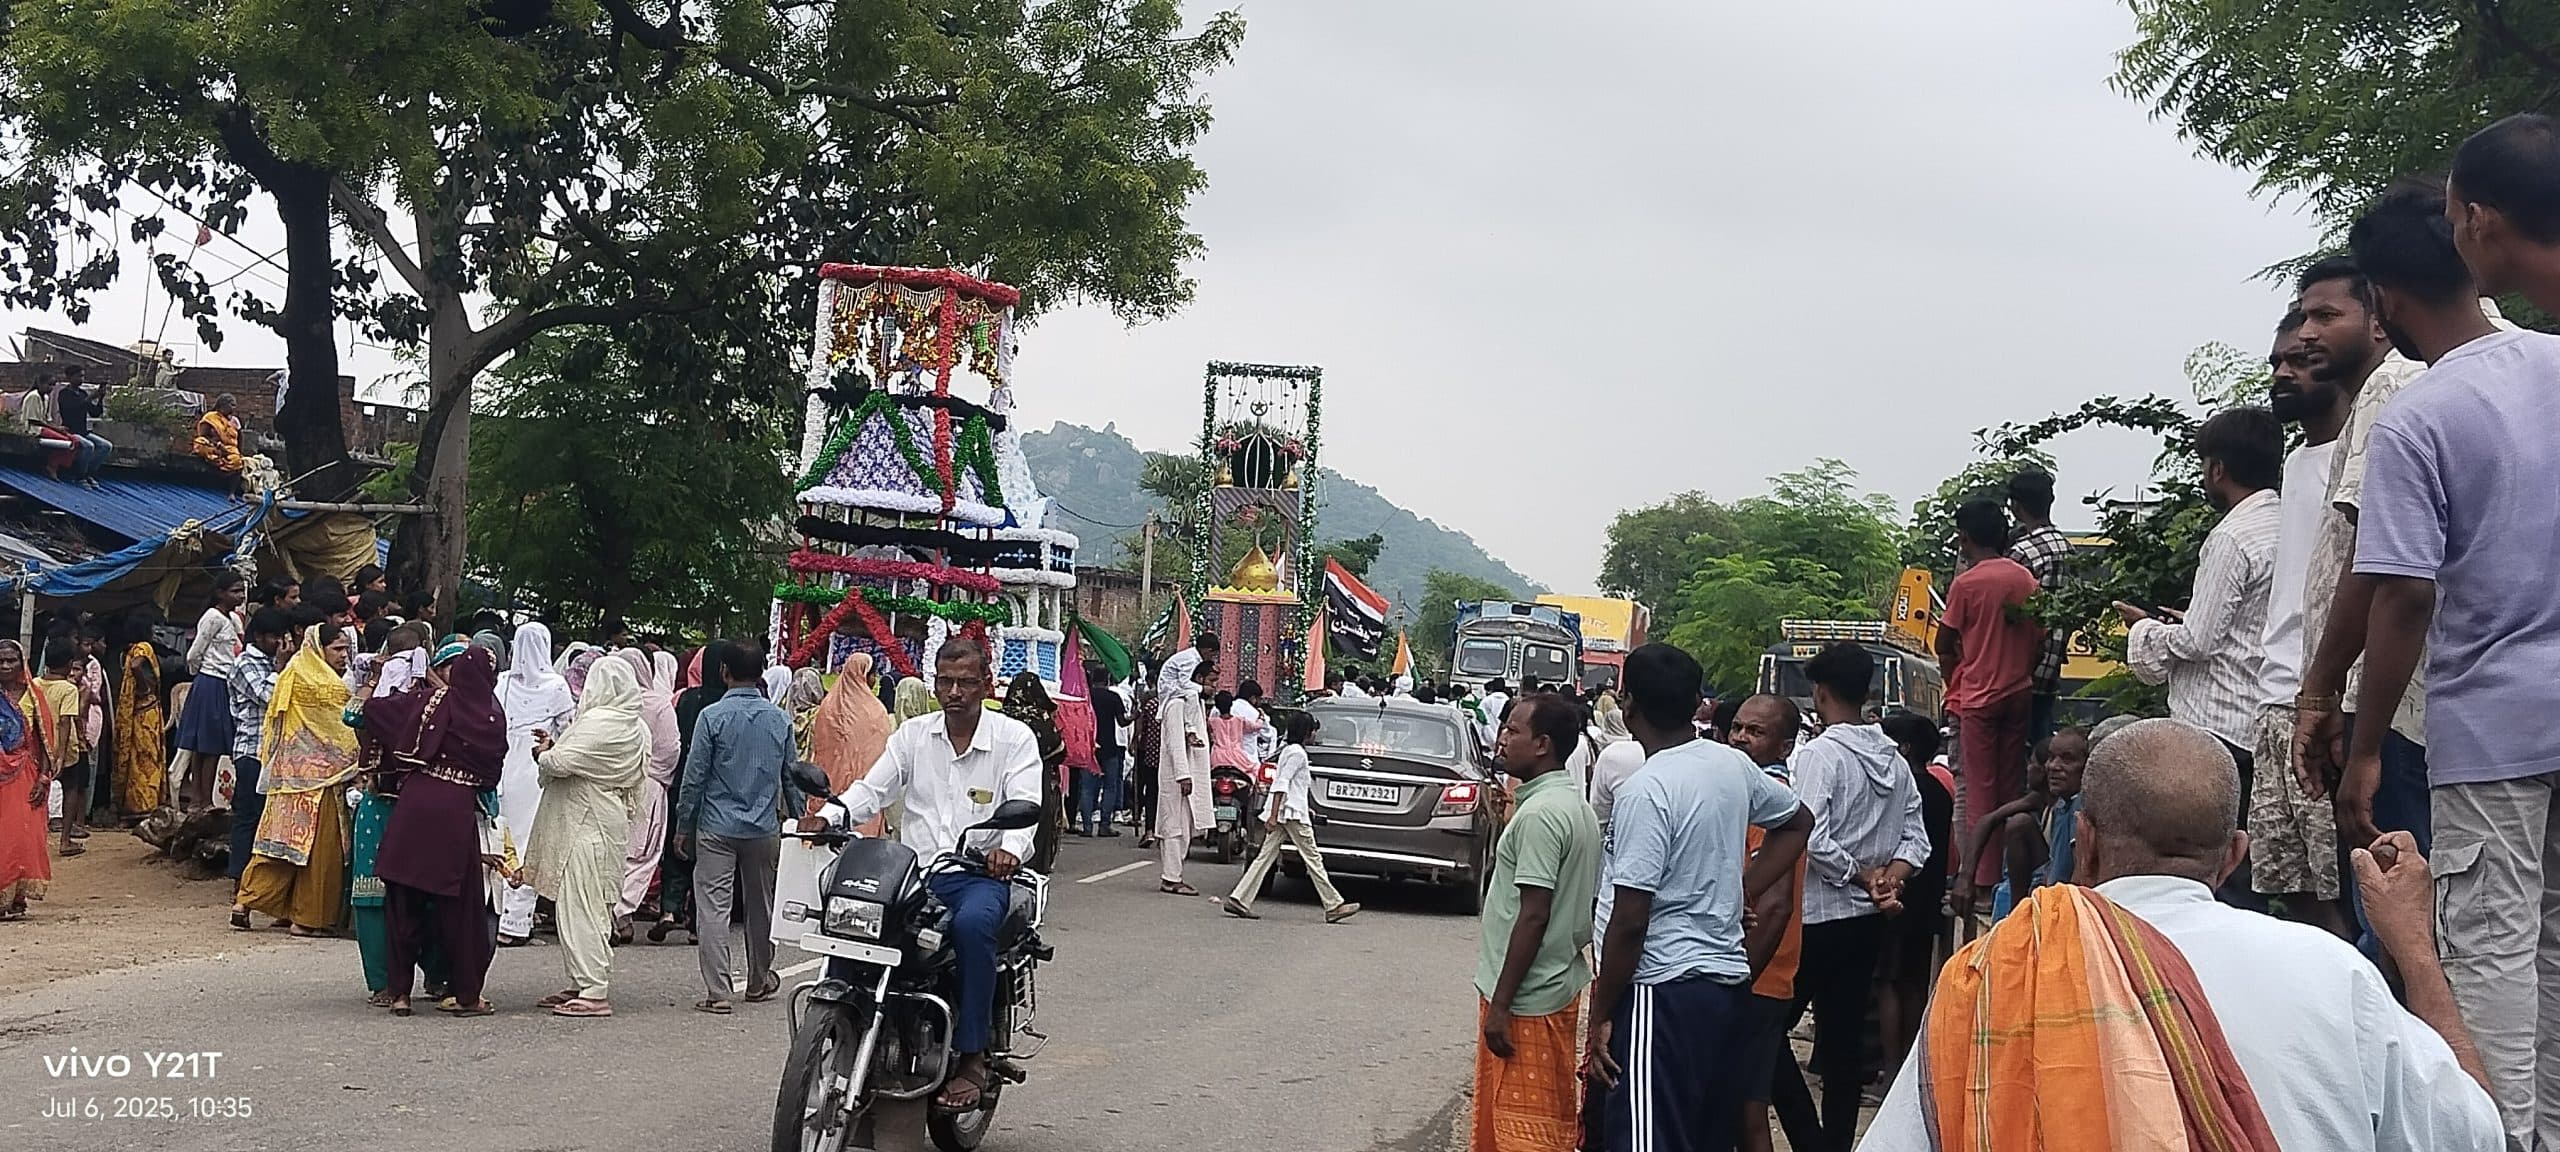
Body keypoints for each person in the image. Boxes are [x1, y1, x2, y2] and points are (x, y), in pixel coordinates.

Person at [1857, 718, 2501, 1152]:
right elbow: (2477, 1135)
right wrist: (2416, 949)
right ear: (2234, 857)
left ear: (2083, 845)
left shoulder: (1992, 975)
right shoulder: (2334, 972)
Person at [2355, 146, 2560, 1147]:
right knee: (2558, 960)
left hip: (2488, 735)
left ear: (2385, 299)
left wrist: (2358, 746)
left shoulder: (2418, 416)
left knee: (2488, 961)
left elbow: (2399, 596)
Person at [1585, 643, 1812, 1152]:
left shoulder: (1647, 790)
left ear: (1628, 706)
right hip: (1722, 989)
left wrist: (1602, 1013)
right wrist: (1742, 888)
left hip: (1658, 990)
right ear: (1696, 704)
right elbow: (1798, 821)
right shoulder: (1730, 766)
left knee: (1647, 1139)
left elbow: (1630, 920)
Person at [801, 636, 1041, 1113]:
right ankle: (841, 1028)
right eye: (946, 682)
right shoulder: (913, 736)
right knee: (855, 925)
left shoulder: (1014, 739)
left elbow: (1026, 807)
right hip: (915, 873)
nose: (955, 692)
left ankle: (972, 1055)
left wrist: (1009, 850)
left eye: (967, 683)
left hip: (978, 877)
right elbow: (873, 789)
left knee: (972, 927)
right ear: (934, 685)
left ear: (986, 685)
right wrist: (829, 817)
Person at [2295, 199, 2444, 949]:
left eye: (2325, 316)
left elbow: (2378, 562)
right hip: (2443, 707)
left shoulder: (2395, 384)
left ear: (2382, 310)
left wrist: (2324, 694)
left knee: (2395, 924)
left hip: (2400, 706)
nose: (2308, 334)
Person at [2121, 406, 2284, 909]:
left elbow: (2199, 641)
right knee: (2248, 865)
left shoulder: (2233, 536)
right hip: (2263, 717)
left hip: (2217, 726)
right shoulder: (2287, 522)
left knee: (2209, 873)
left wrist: (2145, 630)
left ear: (2216, 469)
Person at [1773, 644, 1932, 1152]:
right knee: (1841, 1042)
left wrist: (1860, 875)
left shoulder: (1821, 755)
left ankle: (1808, 1138)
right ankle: (1836, 1142)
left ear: (1819, 694)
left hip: (1819, 913)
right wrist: (1889, 877)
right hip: (1866, 919)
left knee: (1765, 1032)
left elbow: (1809, 833)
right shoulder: (1895, 758)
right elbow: (1918, 839)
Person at [2248, 271, 2366, 938]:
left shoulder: (2362, 452)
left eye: (2300, 360)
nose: (2283, 374)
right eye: (2277, 362)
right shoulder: (2297, 461)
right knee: (2294, 891)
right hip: (2277, 701)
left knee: (2341, 895)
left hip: (2323, 703)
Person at [1470, 694, 1601, 1151]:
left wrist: (1502, 1004)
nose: (1502, 739)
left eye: (1513, 731)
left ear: (1542, 744)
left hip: (1527, 999)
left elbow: (1535, 913)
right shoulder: (1572, 806)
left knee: (1527, 1132)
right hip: (1548, 986)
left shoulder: (1543, 815)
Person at [373, 643, 508, 1017]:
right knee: (461, 910)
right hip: (454, 813)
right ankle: (466, 996)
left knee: (403, 903)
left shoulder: (430, 703)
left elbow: (371, 713)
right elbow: (489, 776)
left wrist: (373, 680)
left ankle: (400, 994)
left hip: (413, 807)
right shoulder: (492, 718)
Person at [522, 656, 648, 1018]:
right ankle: (583, 979)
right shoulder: (636, 727)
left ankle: (593, 988)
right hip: (607, 819)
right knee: (592, 905)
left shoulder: (598, 723)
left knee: (579, 906)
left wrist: (545, 753)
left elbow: (559, 764)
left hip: (584, 822)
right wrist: (556, 748)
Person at [674, 642, 793, 1014]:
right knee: (762, 905)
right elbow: (791, 777)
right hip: (763, 826)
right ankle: (759, 980)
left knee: (712, 907)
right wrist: (798, 817)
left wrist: (684, 823)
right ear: (761, 673)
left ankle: (718, 992)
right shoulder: (779, 719)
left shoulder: (712, 716)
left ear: (724, 671)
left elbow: (694, 777)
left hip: (715, 826)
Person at [1935, 498, 2043, 894]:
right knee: (2009, 784)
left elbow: (1943, 640)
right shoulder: (2025, 580)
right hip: (2020, 691)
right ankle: (2005, 876)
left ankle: (1980, 879)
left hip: (1978, 697)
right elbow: (2041, 639)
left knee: (1979, 787)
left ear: (1964, 538)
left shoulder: (1966, 584)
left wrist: (1955, 678)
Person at [1726, 694, 1817, 1152]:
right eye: (1738, 728)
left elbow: (1776, 905)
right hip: (1755, 973)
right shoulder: (1747, 794)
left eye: (1756, 732)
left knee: (1746, 1107)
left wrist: (1738, 979)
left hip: (1757, 975)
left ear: (1784, 747)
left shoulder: (1770, 806)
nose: (1741, 738)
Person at [235, 623, 357, 936]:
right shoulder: (327, 685)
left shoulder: (291, 672)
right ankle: (306, 919)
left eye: (346, 649)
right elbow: (342, 732)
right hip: (322, 779)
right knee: (319, 850)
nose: (344, 656)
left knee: (276, 844)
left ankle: (245, 902)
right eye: (337, 649)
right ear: (320, 648)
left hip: (286, 777)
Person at [1871, 710, 1953, 1105]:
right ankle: (1909, 1067)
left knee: (1889, 983)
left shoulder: (1904, 790)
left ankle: (1890, 1068)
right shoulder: (1939, 790)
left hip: (1897, 897)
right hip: (1927, 898)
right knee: (1915, 983)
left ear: (1903, 748)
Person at [1222, 710, 1361, 923]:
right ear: (1307, 732)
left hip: (1289, 811)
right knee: (1313, 859)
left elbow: (1291, 786)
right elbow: (1282, 784)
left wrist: (1289, 811)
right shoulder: (1298, 754)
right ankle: (1333, 904)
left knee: (1264, 857)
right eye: (1313, 730)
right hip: (1291, 815)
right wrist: (1274, 815)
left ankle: (1239, 897)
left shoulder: (1288, 750)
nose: (1315, 733)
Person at [495, 621, 575, 945]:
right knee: (530, 841)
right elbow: (567, 729)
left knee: (503, 837)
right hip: (533, 767)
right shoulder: (556, 686)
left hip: (502, 763)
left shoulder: (502, 683)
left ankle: (498, 914)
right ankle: (516, 922)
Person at [223, 610, 288, 918]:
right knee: (248, 820)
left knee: (269, 823)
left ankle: (263, 892)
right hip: (251, 751)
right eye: (274, 637)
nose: (279, 643)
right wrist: (279, 668)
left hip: (273, 753)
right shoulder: (244, 664)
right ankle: (239, 885)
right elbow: (269, 697)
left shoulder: (268, 662)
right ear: (259, 637)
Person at [614, 647, 682, 941]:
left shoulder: (610, 701)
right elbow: (670, 749)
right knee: (642, 854)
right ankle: (619, 911)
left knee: (616, 852)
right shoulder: (659, 703)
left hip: (613, 783)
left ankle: (618, 918)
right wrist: (658, 775)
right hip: (649, 784)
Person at [2003, 469, 2073, 744]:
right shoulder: (2068, 548)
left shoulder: (2022, 552)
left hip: (2021, 666)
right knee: (2042, 743)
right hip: (2053, 661)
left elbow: (2008, 609)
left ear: (2015, 506)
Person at [174, 572, 247, 812]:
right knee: (207, 745)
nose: (240, 595)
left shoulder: (232, 619)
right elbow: (194, 653)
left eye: (241, 591)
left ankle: (202, 798)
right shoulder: (213, 617)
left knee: (208, 744)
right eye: (235, 591)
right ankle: (201, 799)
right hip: (210, 681)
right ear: (220, 593)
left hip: (221, 682)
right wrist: (201, 674)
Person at [0, 641, 59, 920]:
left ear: (21, 661)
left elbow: (43, 738)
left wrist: (44, 778)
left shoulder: (34, 695)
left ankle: (16, 898)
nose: (5, 666)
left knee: (22, 835)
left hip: (25, 773)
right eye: (0, 661)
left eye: (11, 660)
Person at [806, 652, 891, 835]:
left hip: (829, 788)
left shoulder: (827, 707)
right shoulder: (875, 711)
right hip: (864, 794)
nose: (874, 680)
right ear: (864, 675)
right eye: (872, 674)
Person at [1155, 657, 1215, 895]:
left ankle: (1174, 874)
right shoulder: (1176, 704)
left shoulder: (1193, 703)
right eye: (1211, 681)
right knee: (1174, 827)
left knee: (1185, 827)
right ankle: (1171, 877)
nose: (1214, 687)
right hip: (1177, 776)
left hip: (1188, 775)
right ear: (1198, 679)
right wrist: (1182, 775)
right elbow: (1175, 744)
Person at [1002, 672, 1066, 873]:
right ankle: (1036, 863)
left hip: (1004, 777)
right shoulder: (1039, 717)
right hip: (1039, 777)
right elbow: (1059, 750)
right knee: (1039, 819)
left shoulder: (1001, 717)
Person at [112, 613, 166, 821]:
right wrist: (144, 690)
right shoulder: (144, 647)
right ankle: (146, 804)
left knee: (135, 756)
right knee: (147, 757)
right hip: (146, 709)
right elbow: (136, 667)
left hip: (136, 711)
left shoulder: (129, 650)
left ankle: (134, 805)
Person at [39, 639, 88, 859]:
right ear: (69, 664)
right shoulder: (69, 689)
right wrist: (60, 756)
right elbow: (66, 721)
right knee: (71, 788)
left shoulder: (36, 684)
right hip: (64, 748)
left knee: (38, 790)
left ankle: (37, 838)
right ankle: (65, 840)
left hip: (39, 746)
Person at [1081, 663, 1128, 837]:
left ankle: (1087, 827)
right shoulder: (1113, 697)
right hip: (1109, 746)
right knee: (1110, 786)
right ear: (1108, 679)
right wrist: (1135, 716)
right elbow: (1122, 721)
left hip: (1089, 746)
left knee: (1086, 788)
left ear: (1092, 680)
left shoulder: (1085, 698)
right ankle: (1104, 824)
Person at [52, 366, 108, 485]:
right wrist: (90, 398)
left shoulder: (83, 393)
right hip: (70, 430)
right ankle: (79, 476)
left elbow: (95, 412)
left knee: (105, 446)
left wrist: (100, 399)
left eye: (82, 376)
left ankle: (89, 473)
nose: (81, 379)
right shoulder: (64, 394)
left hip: (83, 431)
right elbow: (72, 409)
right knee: (88, 447)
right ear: (69, 377)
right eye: (78, 376)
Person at [193, 393, 244, 490]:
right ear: (222, 405)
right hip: (213, 446)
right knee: (200, 443)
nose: (234, 408)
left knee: (237, 461)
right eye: (231, 405)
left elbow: (240, 438)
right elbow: (203, 435)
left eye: (235, 405)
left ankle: (230, 489)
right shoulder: (210, 417)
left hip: (230, 449)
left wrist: (239, 452)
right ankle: (218, 463)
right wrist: (217, 444)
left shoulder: (235, 421)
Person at [1155, 630, 1220, 700]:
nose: (1212, 658)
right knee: (1192, 695)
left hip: (1174, 688)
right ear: (1207, 651)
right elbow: (1184, 683)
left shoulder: (1193, 656)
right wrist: (1202, 689)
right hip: (1170, 690)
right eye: (1213, 655)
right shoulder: (1191, 659)